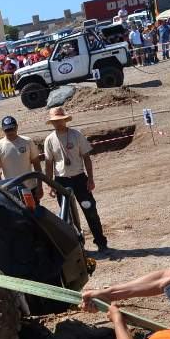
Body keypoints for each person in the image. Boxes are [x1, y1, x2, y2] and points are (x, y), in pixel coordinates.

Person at [44, 107, 107, 252]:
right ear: (52, 123)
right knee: (68, 217)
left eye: (60, 120)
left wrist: (90, 179)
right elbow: (48, 164)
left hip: (79, 180)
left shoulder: (76, 135)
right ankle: (78, 246)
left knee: (90, 210)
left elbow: (86, 157)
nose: (58, 123)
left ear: (65, 120)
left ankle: (101, 242)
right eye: (55, 121)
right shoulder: (49, 140)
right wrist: (50, 185)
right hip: (61, 182)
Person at [0, 116, 43, 199]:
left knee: (34, 211)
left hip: (30, 188)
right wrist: (0, 193)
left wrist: (40, 186)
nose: (10, 132)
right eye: (7, 130)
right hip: (11, 191)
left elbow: (37, 165)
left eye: (12, 128)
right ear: (3, 130)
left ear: (17, 127)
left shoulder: (27, 141)